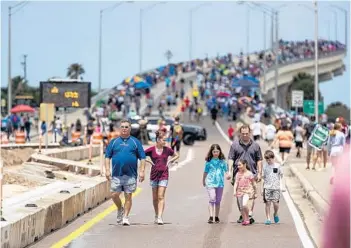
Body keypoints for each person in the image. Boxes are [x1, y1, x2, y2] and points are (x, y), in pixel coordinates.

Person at [104, 119, 146, 226]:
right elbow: (107, 157)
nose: (124, 129)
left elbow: (142, 158)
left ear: (130, 129)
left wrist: (142, 171)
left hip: (131, 174)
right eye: (122, 126)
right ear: (119, 128)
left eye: (126, 127)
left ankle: (126, 217)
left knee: (128, 195)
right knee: (114, 194)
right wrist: (107, 170)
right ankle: (120, 208)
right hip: (116, 174)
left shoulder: (135, 142)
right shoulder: (114, 142)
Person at [228, 124, 263, 224]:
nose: (244, 135)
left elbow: (259, 160)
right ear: (240, 133)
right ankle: (243, 214)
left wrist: (260, 173)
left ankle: (250, 214)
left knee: (250, 195)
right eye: (243, 133)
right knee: (240, 196)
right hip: (238, 175)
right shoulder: (235, 145)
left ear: (250, 133)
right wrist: (230, 171)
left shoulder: (255, 146)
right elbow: (230, 158)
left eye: (246, 133)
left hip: (252, 174)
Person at [145, 131, 179, 225]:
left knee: (161, 196)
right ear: (158, 140)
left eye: (166, 140)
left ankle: (160, 216)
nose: (165, 142)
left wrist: (169, 162)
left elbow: (176, 155)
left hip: (164, 175)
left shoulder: (167, 150)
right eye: (164, 140)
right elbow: (141, 155)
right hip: (154, 175)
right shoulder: (151, 149)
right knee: (155, 198)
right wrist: (148, 161)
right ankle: (156, 215)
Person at [202, 144, 230, 224]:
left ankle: (216, 216)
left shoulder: (222, 162)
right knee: (212, 198)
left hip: (220, 183)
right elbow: (205, 172)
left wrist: (228, 175)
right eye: (214, 152)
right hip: (210, 183)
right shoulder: (209, 162)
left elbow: (226, 170)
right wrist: (203, 180)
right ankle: (211, 216)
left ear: (220, 152)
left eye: (217, 151)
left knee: (218, 201)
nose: (216, 153)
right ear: (211, 152)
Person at [233, 159, 257, 226]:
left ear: (244, 165)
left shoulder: (249, 174)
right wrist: (234, 191)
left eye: (240, 165)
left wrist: (256, 192)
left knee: (244, 205)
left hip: (247, 192)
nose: (238, 166)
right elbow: (236, 183)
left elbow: (254, 184)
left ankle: (248, 217)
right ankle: (245, 219)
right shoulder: (238, 174)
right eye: (238, 165)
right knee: (241, 208)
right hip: (239, 192)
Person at [261, 150, 283, 225]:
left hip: (276, 187)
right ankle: (268, 218)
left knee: (275, 203)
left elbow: (282, 176)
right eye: (267, 159)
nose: (268, 161)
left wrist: (283, 186)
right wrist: (262, 189)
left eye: (269, 159)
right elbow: (263, 178)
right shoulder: (264, 166)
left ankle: (275, 213)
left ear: (273, 158)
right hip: (267, 187)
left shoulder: (278, 166)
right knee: (268, 203)